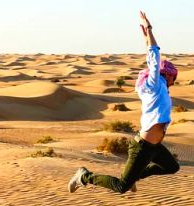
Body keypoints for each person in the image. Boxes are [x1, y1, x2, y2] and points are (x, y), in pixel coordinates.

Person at [68, 11, 180, 194]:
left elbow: (152, 57)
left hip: (154, 146)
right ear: (166, 75)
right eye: (173, 77)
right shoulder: (154, 84)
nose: (173, 81)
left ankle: (135, 176)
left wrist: (145, 37)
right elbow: (153, 58)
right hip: (142, 147)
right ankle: (84, 176)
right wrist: (150, 30)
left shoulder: (160, 89)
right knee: (121, 187)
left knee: (172, 167)